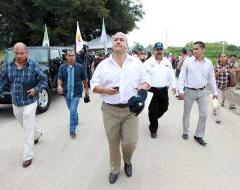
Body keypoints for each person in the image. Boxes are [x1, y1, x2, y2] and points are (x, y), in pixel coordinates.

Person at [90, 32, 150, 184]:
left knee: (130, 141)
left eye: (121, 39)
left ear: (126, 44)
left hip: (130, 110)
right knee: (113, 142)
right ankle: (115, 169)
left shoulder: (136, 63)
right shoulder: (103, 65)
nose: (117, 41)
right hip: (110, 110)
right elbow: (93, 84)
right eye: (115, 39)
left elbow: (146, 80)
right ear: (112, 44)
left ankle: (128, 161)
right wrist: (105, 90)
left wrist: (142, 88)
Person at [0, 42, 47, 167]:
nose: (19, 56)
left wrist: (36, 89)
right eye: (16, 53)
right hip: (16, 102)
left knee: (27, 129)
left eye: (21, 53)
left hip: (30, 101)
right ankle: (37, 134)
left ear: (26, 53)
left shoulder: (33, 65)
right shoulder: (7, 66)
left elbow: (43, 79)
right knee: (24, 124)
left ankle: (27, 156)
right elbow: (2, 80)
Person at [178, 41, 218, 146]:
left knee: (204, 114)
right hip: (189, 91)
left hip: (203, 92)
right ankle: (185, 131)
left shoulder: (208, 63)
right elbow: (181, 76)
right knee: (187, 112)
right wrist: (181, 90)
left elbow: (211, 78)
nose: (194, 51)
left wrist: (215, 92)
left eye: (196, 49)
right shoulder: (187, 62)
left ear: (203, 50)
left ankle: (198, 135)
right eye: (193, 49)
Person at [144, 42, 176, 138]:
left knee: (164, 107)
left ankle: (153, 118)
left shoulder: (167, 62)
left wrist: (173, 85)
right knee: (152, 109)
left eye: (160, 49)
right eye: (157, 50)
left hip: (163, 89)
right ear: (153, 51)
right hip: (151, 89)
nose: (159, 51)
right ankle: (153, 129)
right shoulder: (147, 63)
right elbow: (142, 76)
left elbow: (171, 75)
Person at [57, 49, 89, 138]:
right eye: (69, 56)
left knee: (72, 110)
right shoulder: (62, 67)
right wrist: (59, 86)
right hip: (66, 93)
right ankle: (76, 118)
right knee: (71, 110)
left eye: (73, 55)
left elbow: (84, 79)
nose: (71, 57)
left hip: (76, 93)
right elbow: (60, 78)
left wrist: (86, 90)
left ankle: (72, 130)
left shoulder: (79, 67)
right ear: (66, 56)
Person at [214, 53, 233, 124]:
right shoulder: (216, 66)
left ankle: (214, 109)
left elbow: (231, 76)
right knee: (218, 102)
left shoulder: (229, 66)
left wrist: (230, 72)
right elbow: (213, 76)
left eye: (225, 56)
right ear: (219, 58)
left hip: (225, 87)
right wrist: (220, 71)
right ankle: (218, 118)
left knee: (219, 102)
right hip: (217, 86)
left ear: (226, 58)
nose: (223, 57)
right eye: (221, 56)